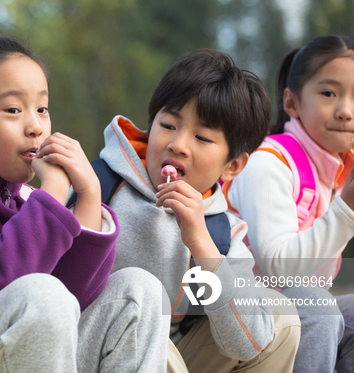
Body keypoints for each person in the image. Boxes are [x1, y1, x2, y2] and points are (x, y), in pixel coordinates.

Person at [0, 37, 170, 372]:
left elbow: (74, 294)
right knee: (43, 293)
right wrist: (53, 188)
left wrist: (89, 194)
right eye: (13, 110)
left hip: (36, 351)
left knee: (139, 291)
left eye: (41, 109)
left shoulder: (24, 198)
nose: (35, 127)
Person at [98, 49, 301, 372]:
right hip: (97, 347)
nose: (178, 144)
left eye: (202, 137)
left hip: (176, 356)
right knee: (146, 324)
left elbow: (247, 345)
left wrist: (202, 244)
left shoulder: (224, 233)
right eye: (168, 124)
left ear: (233, 165)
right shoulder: (98, 186)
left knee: (281, 319)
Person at [225, 35, 354, 372]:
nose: (346, 111)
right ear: (292, 103)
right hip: (230, 309)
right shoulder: (268, 163)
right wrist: (347, 209)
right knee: (318, 308)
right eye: (329, 93)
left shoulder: (337, 170)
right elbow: (277, 269)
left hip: (288, 307)